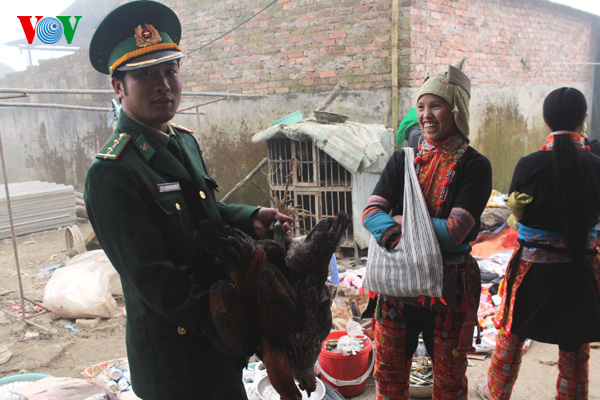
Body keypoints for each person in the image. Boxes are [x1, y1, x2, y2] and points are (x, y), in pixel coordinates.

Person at [84, 2, 292, 399]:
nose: (163, 84)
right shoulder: (113, 171)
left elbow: (203, 215)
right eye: (145, 74)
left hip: (220, 345)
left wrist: (249, 218)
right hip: (176, 359)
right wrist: (231, 319)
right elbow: (153, 277)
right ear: (118, 87)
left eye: (170, 70)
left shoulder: (183, 142)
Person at [362, 57, 492, 399]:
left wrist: (404, 224)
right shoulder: (403, 161)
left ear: (456, 111)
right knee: (388, 377)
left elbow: (455, 231)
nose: (426, 115)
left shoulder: (475, 166)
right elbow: (371, 213)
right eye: (421, 107)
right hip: (397, 288)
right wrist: (406, 235)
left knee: (449, 381)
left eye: (436, 106)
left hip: (449, 290)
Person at [476, 87, 600, 399]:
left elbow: (519, 213)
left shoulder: (529, 165)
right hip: (581, 271)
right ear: (583, 119)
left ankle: (496, 391)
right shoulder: (596, 165)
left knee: (511, 336)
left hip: (533, 275)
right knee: (575, 347)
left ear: (546, 119)